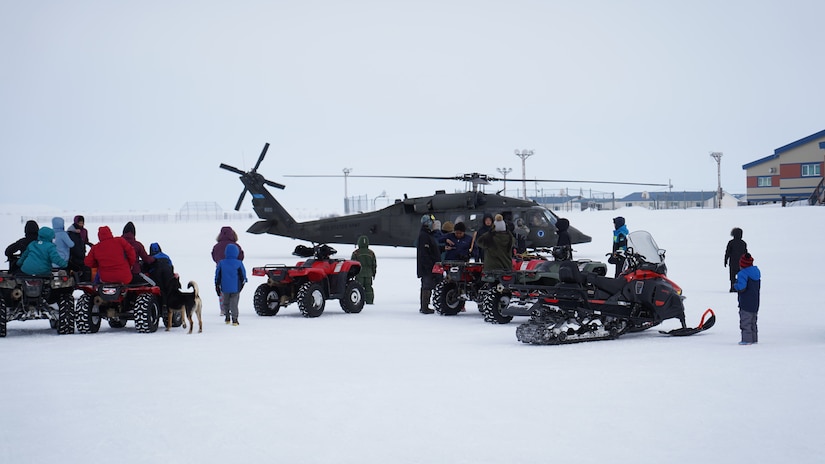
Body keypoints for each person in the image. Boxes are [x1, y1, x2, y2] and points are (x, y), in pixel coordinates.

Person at [212, 226, 244, 316]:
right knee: (234, 289)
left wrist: (219, 262)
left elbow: (214, 256)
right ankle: (233, 308)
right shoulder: (236, 246)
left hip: (221, 268)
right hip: (234, 270)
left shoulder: (217, 246)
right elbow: (241, 257)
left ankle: (223, 309)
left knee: (222, 288)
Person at [215, 243, 247, 326]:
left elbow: (218, 274)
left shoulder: (221, 263)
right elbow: (243, 274)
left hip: (224, 287)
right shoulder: (239, 263)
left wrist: (217, 284)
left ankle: (227, 318)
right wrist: (244, 280)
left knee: (226, 302)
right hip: (236, 287)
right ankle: (235, 320)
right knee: (234, 303)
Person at [733, 253, 761, 345]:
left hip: (745, 302)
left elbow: (741, 287)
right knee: (753, 322)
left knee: (745, 322)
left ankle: (747, 340)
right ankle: (754, 339)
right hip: (755, 302)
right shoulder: (756, 272)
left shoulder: (743, 274)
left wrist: (735, 285)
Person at [416, 214, 440, 314]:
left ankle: (424, 306)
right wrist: (429, 267)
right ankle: (424, 307)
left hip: (428, 266)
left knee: (427, 285)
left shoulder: (427, 235)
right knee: (427, 285)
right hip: (427, 267)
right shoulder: (424, 236)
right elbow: (425, 254)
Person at [147, 242, 175, 311]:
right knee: (169, 289)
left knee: (160, 289)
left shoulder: (151, 258)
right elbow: (171, 266)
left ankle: (162, 305)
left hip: (156, 273)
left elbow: (147, 268)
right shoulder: (166, 256)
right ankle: (170, 307)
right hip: (168, 273)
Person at [351, 235, 377, 304]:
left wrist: (352, 274)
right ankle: (370, 301)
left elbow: (353, 264)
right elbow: (374, 264)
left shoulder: (356, 253)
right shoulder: (371, 253)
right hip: (369, 273)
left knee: (359, 288)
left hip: (359, 273)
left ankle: (360, 301)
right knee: (369, 287)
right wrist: (373, 273)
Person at [67, 215, 93, 282]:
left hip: (82, 252)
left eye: (82, 223)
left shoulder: (84, 231)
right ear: (76, 222)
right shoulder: (71, 232)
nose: (81, 225)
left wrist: (90, 244)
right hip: (74, 254)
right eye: (79, 223)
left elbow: (85, 240)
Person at [724, 227, 748, 292]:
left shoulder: (731, 242)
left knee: (732, 276)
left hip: (733, 262)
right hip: (741, 263)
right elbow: (746, 253)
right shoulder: (743, 243)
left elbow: (727, 252)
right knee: (741, 276)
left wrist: (725, 260)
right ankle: (740, 287)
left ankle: (733, 287)